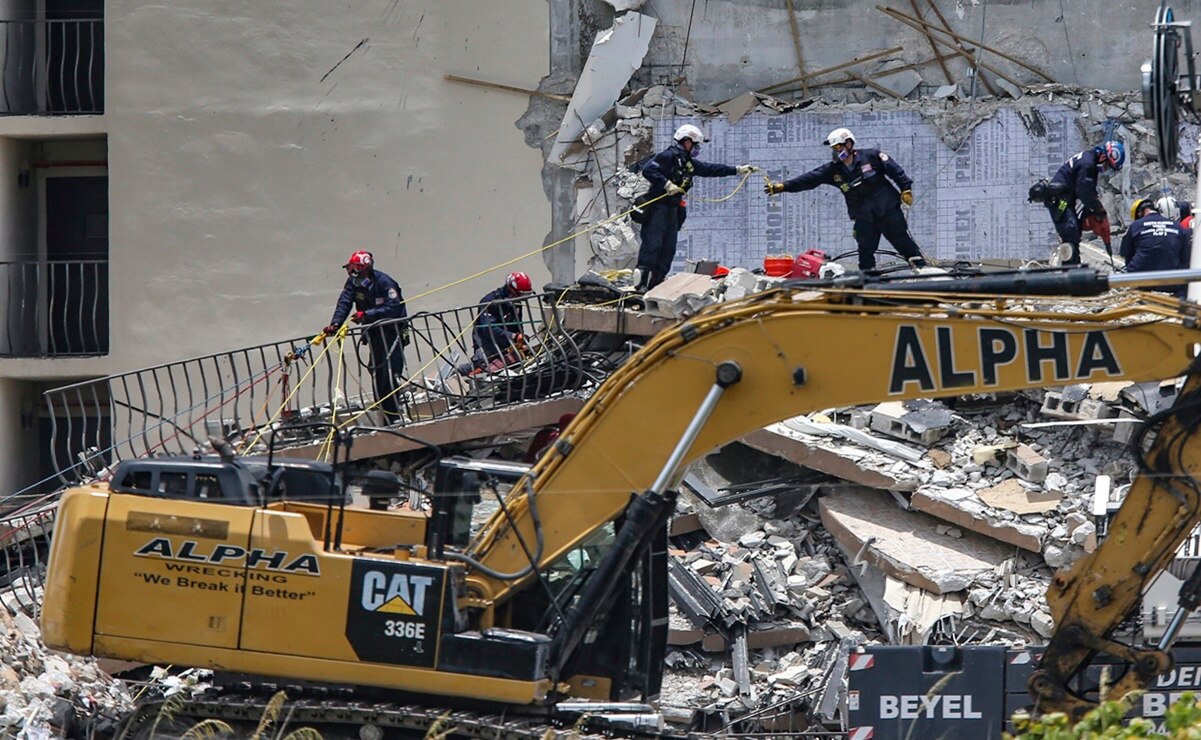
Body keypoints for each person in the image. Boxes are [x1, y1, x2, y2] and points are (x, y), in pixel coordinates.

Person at [764, 127, 927, 271]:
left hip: (888, 211)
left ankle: (924, 272)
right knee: (865, 252)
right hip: (864, 217)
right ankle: (868, 283)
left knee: (904, 243)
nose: (835, 152)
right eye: (833, 149)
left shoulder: (871, 156)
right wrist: (783, 186)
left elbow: (894, 170)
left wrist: (905, 188)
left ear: (849, 144)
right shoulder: (833, 170)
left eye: (838, 147)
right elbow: (809, 179)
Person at [636, 124, 755, 291]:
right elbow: (649, 170)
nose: (697, 148)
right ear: (686, 141)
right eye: (695, 144)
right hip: (658, 208)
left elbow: (710, 169)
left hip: (673, 210)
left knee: (668, 250)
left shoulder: (687, 163)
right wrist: (667, 184)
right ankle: (640, 285)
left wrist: (737, 170)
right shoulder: (668, 156)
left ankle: (655, 286)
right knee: (652, 245)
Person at [323, 250, 409, 420]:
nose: (352, 273)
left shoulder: (385, 282)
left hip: (392, 332)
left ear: (366, 268)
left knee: (390, 371)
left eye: (356, 268)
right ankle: (384, 409)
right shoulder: (353, 283)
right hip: (374, 334)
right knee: (376, 369)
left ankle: (394, 414)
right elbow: (345, 301)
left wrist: (366, 315)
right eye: (350, 269)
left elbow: (393, 308)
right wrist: (336, 323)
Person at [1040, 141, 1125, 265]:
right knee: (1071, 231)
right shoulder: (1087, 164)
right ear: (1103, 156)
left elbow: (1089, 191)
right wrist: (1099, 209)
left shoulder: (1090, 161)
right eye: (1107, 165)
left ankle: (1073, 264)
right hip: (1061, 200)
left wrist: (1094, 212)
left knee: (1075, 231)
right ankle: (1069, 269)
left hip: (1067, 198)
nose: (1106, 169)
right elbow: (1084, 192)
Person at [460, 271, 534, 375]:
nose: (522, 298)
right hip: (487, 344)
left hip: (505, 344)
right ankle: (460, 372)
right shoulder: (491, 301)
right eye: (520, 294)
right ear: (511, 289)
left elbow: (517, 325)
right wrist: (513, 336)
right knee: (484, 365)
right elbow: (489, 329)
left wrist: (520, 340)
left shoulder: (516, 303)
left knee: (522, 359)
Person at [1121, 198, 1189, 296]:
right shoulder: (1177, 226)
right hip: (1171, 281)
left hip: (1141, 279)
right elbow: (1185, 256)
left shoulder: (1136, 225)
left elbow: (1124, 252)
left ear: (1139, 214)